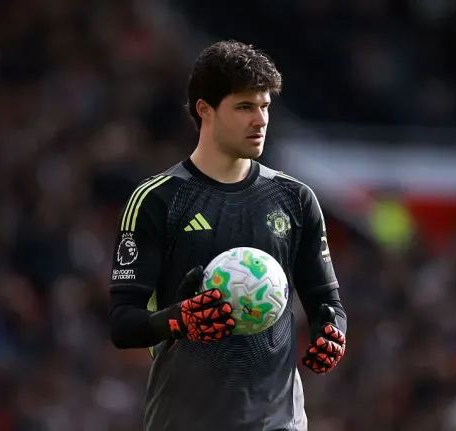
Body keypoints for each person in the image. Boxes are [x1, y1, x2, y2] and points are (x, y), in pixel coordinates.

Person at [108, 40, 347, 431]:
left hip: (278, 422)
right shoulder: (156, 200)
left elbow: (326, 301)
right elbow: (122, 324)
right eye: (244, 107)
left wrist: (332, 333)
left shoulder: (295, 199)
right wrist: (178, 320)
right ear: (205, 110)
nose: (260, 120)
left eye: (265, 106)